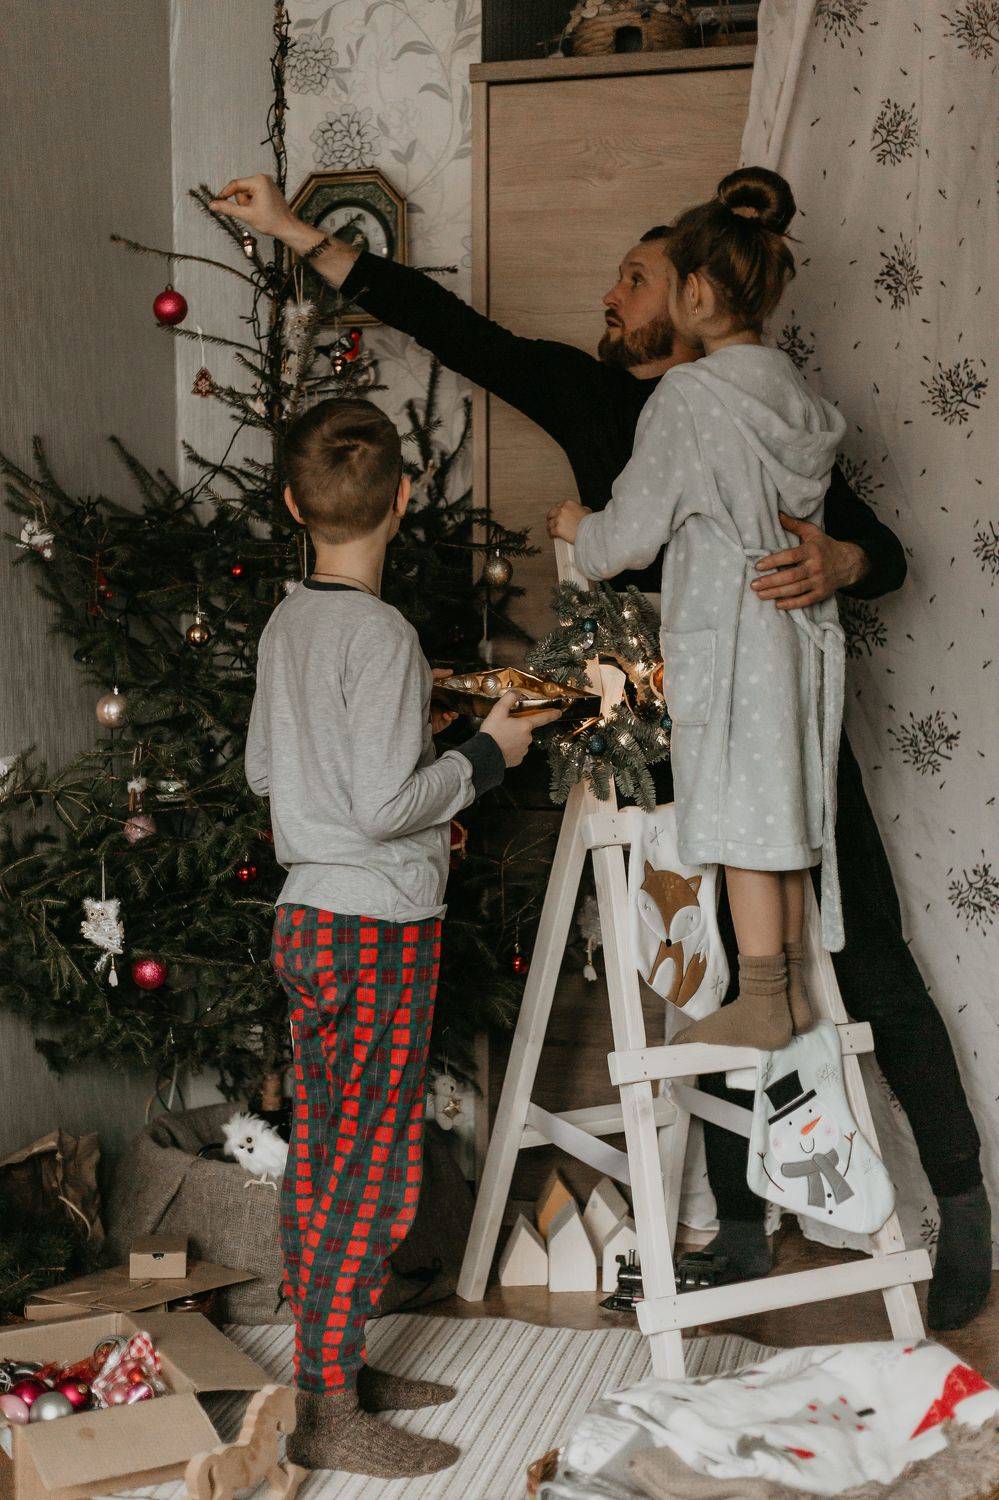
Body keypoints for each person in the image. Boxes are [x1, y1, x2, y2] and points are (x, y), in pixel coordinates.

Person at [218, 173, 989, 1333]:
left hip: (774, 721)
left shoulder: (753, 409)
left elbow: (886, 552)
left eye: (637, 279)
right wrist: (291, 232)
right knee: (706, 973)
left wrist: (841, 561)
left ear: (691, 299)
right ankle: (736, 1229)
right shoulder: (594, 396)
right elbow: (454, 329)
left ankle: (965, 1206)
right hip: (659, 730)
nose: (613, 295)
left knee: (864, 945)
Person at [244, 397, 558, 1476]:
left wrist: (393, 756)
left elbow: (268, 772)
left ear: (294, 506)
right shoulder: (383, 635)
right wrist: (486, 753)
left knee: (325, 1151)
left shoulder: (287, 622)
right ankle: (329, 1408)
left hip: (306, 919)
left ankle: (331, 1370)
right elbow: (384, 808)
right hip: (375, 929)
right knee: (371, 1170)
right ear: (405, 500)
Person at [551, 166, 846, 1055]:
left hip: (734, 630)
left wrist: (581, 531)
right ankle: (787, 984)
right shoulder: (795, 398)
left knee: (747, 815)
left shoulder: (689, 397)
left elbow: (633, 530)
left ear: (698, 294)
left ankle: (762, 992)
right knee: (779, 806)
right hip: (796, 632)